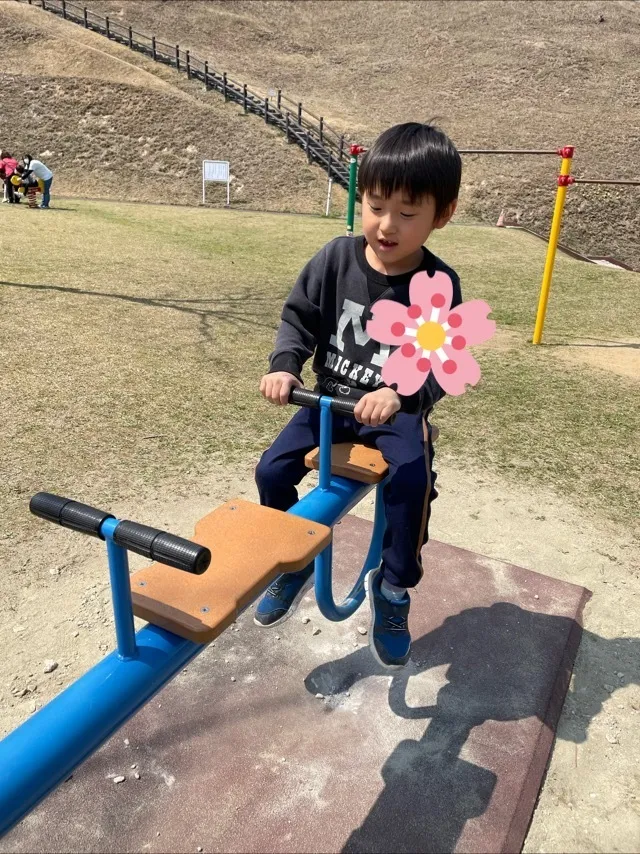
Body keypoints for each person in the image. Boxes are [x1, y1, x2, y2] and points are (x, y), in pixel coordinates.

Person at [253, 122, 462, 669]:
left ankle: (393, 588)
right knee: (271, 471)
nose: (386, 225)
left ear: (442, 215)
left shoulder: (436, 283)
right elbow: (298, 318)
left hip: (393, 413)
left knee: (411, 479)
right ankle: (293, 559)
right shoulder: (335, 259)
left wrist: (401, 391)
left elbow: (442, 361)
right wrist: (284, 367)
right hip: (330, 402)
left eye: (408, 213)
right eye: (375, 206)